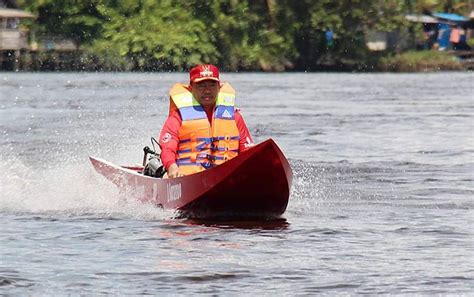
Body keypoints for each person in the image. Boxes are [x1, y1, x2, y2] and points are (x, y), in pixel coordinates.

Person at [159, 64, 254, 178]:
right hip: (187, 178)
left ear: (219, 87)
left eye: (212, 85)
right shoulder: (178, 117)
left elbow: (247, 151)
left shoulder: (235, 116)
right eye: (201, 86)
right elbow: (167, 149)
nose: (207, 90)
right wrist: (172, 167)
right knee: (167, 174)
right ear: (191, 88)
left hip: (228, 178)